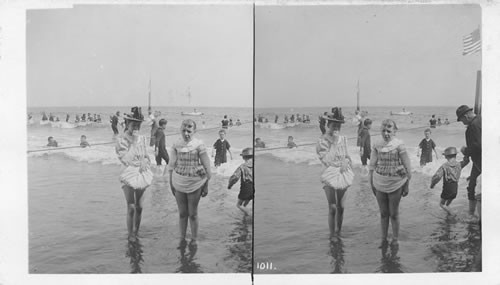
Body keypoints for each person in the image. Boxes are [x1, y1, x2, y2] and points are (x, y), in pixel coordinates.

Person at [168, 119, 211, 246]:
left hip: (195, 181)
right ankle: (182, 238)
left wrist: (206, 185)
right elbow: (171, 165)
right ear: (180, 129)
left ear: (194, 131)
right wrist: (171, 183)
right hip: (178, 180)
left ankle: (194, 239)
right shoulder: (176, 144)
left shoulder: (199, 145)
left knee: (193, 213)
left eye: (189, 131)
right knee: (182, 213)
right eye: (183, 130)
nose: (186, 133)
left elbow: (206, 165)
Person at [369, 119, 412, 248]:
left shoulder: (399, 145)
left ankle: (395, 238)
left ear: (394, 131)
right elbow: (372, 165)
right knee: (383, 213)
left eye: (389, 131)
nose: (386, 133)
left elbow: (407, 165)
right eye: (383, 131)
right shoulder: (377, 144)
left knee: (393, 213)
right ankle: (383, 238)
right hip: (379, 181)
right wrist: (371, 183)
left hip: (396, 182)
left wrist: (407, 184)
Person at [115, 109, 153, 242]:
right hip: (128, 171)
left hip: (141, 171)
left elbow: (147, 156)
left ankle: (137, 230)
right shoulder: (121, 139)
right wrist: (134, 142)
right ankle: (130, 233)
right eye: (133, 125)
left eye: (138, 125)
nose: (136, 128)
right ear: (127, 124)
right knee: (131, 206)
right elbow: (125, 158)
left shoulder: (142, 138)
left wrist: (145, 161)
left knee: (140, 206)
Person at [316, 107, 353, 241]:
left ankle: (339, 230)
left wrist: (347, 161)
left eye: (338, 126)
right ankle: (332, 234)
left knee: (341, 207)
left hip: (343, 172)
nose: (336, 128)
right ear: (328, 126)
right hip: (329, 172)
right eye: (333, 125)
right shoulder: (322, 141)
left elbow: (348, 156)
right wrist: (334, 143)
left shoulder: (344, 139)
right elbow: (326, 160)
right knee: (332, 207)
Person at [456, 105, 481, 217]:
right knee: (471, 186)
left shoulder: (473, 126)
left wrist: (465, 151)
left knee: (475, 189)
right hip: (479, 162)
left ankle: (474, 215)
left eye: (462, 121)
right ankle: (472, 214)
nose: (463, 123)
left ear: (466, 116)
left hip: (481, 162)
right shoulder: (481, 119)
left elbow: (478, 146)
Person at [430, 147, 469, 215]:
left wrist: (432, 184)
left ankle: (452, 214)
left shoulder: (445, 166)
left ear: (446, 156)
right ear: (455, 155)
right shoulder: (459, 165)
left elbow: (437, 176)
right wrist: (466, 154)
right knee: (448, 203)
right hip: (455, 188)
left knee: (442, 204)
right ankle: (449, 212)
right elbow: (466, 161)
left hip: (447, 188)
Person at [227, 147, 254, 215]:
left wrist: (230, 185)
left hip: (246, 187)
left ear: (243, 157)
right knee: (246, 202)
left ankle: (249, 214)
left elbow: (235, 177)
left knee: (239, 205)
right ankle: (245, 213)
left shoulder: (242, 166)